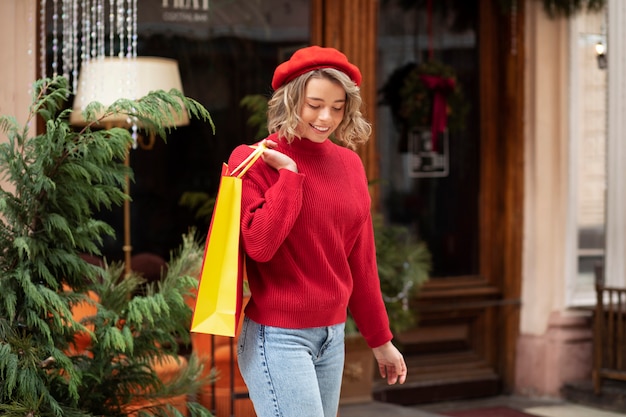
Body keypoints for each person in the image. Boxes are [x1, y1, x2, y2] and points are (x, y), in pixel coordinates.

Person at [228, 45, 407, 417]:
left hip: (333, 336)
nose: (326, 117)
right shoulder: (252, 160)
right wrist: (290, 176)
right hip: (278, 337)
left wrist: (381, 340)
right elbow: (260, 245)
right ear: (292, 100)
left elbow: (361, 262)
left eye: (338, 107)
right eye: (315, 104)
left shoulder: (350, 165)